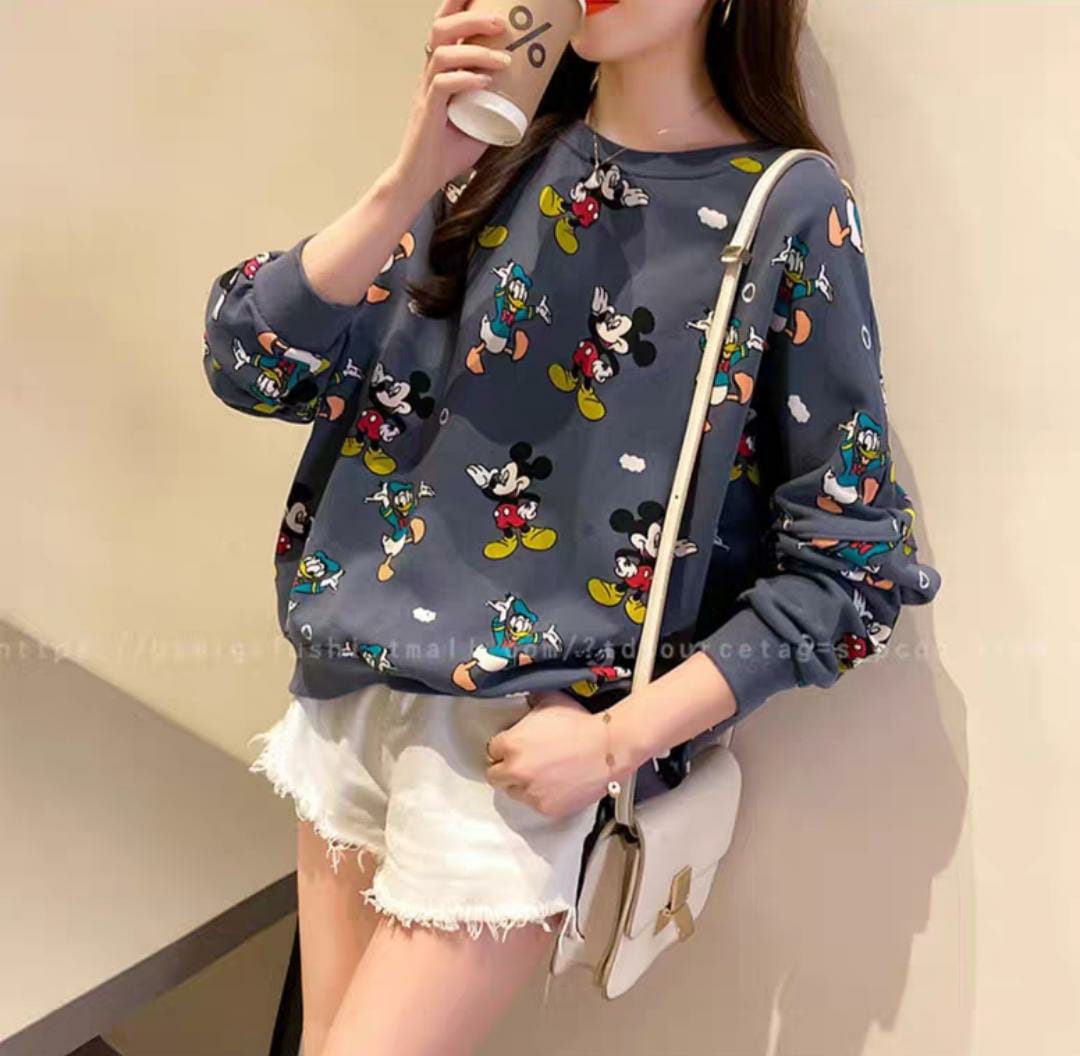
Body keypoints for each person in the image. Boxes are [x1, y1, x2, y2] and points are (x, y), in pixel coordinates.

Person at [200, 0, 942, 1051]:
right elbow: (251, 362)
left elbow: (851, 565)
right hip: (350, 690)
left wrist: (614, 742)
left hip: (518, 752)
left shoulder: (783, 209)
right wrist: (414, 170)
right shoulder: (491, 160)